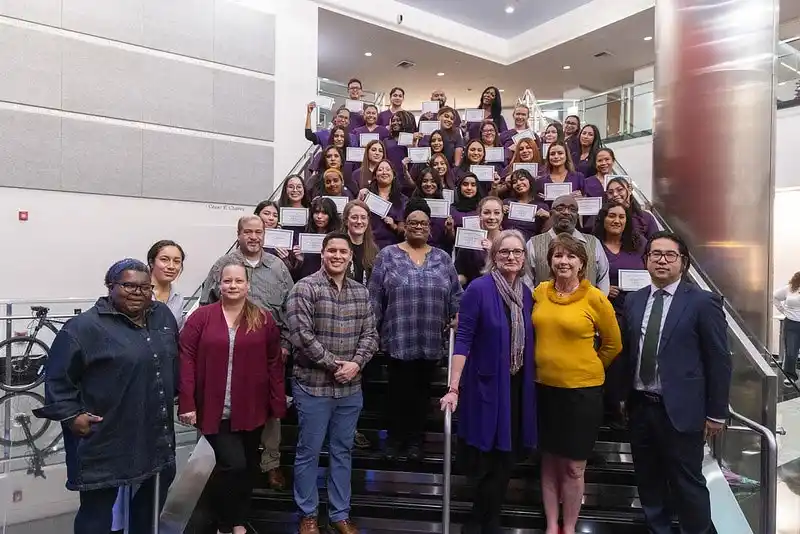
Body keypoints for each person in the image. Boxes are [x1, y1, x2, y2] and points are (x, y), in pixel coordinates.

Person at [34, 259, 178, 534]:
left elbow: (172, 359)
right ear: (110, 287)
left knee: (151, 499)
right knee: (97, 509)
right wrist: (73, 417)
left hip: (153, 431)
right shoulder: (83, 328)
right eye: (128, 285)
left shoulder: (162, 316)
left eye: (144, 287)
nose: (137, 292)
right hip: (104, 436)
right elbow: (57, 379)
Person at [621, 231, 730, 534]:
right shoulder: (634, 301)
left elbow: (719, 360)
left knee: (687, 484)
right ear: (646, 260)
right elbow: (629, 352)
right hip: (641, 408)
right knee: (648, 480)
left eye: (670, 255)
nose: (662, 260)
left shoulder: (703, 302)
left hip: (683, 412)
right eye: (655, 254)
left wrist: (716, 412)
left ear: (683, 262)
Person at [440, 230, 537, 534]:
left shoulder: (528, 294)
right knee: (485, 458)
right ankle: (477, 520)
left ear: (524, 258)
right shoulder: (479, 289)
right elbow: (463, 339)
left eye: (517, 252)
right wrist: (454, 386)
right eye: (504, 251)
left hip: (518, 387)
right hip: (485, 387)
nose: (511, 257)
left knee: (506, 458)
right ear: (493, 256)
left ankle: (489, 518)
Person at [178, 259, 285, 534]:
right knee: (233, 465)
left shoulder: (262, 318)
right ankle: (224, 523)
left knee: (248, 466)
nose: (233, 285)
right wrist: (187, 402)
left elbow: (274, 361)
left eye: (238, 281)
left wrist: (277, 401)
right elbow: (186, 358)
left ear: (247, 285)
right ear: (219, 285)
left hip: (252, 408)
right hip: (213, 409)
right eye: (228, 281)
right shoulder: (201, 318)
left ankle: (239, 521)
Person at [287, 232, 379, 534]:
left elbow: (371, 335)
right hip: (313, 386)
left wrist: (355, 364)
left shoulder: (360, 292)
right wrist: (334, 364)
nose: (337, 256)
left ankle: (340, 514)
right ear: (322, 254)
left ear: (350, 256)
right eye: (332, 251)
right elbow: (301, 337)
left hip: (350, 388)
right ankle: (308, 514)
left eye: (343, 251)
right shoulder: (304, 288)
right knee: (308, 452)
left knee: (343, 451)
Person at [532, 234, 621, 534]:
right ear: (550, 262)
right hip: (543, 389)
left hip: (582, 394)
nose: (563, 261)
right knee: (549, 462)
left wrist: (589, 367)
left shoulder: (595, 297)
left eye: (570, 257)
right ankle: (550, 525)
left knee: (573, 467)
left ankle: (568, 527)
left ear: (582, 263)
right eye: (558, 256)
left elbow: (613, 344)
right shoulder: (540, 292)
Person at [200, 215, 293, 491]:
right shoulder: (222, 266)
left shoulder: (278, 266)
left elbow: (290, 308)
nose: (254, 237)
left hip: (269, 353)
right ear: (238, 234)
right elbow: (207, 304)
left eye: (258, 232)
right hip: (228, 356)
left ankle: (271, 463)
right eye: (248, 232)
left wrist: (286, 343)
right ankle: (231, 461)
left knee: (271, 409)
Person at [368, 199, 462, 461]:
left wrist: (457, 316)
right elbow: (374, 297)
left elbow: (456, 295)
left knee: (421, 395)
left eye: (423, 223)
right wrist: (372, 333)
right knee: (397, 393)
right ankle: (394, 440)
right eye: (412, 222)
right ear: (404, 226)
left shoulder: (442, 258)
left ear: (430, 227)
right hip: (398, 338)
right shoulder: (387, 256)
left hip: (431, 339)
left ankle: (415, 443)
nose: (418, 226)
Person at [592, 201, 646, 428]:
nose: (616, 220)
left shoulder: (638, 244)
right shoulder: (594, 245)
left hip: (633, 310)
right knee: (610, 357)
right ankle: (607, 408)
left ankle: (624, 405)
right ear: (603, 219)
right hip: (605, 310)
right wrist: (604, 289)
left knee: (629, 358)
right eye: (611, 216)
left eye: (621, 217)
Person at [524, 195, 610, 295]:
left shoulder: (594, 243)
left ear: (577, 216)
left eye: (572, 209)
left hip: (587, 309)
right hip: (546, 308)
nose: (566, 212)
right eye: (560, 208)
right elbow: (526, 281)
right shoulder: (533, 244)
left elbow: (603, 279)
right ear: (551, 214)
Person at [455, 196, 503, 288]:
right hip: (476, 292)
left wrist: (492, 251)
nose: (492, 217)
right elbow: (462, 274)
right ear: (480, 215)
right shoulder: (470, 242)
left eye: (496, 213)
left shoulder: (509, 240)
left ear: (502, 216)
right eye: (486, 213)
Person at [605, 175, 659, 240]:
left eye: (620, 190)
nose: (615, 194)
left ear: (630, 190)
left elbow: (656, 242)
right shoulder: (604, 217)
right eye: (610, 192)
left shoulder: (646, 217)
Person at [147, 240, 186, 324]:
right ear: (151, 262)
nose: (171, 266)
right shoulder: (138, 293)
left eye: (176, 261)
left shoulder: (178, 298)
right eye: (164, 260)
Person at [775, 271, 800, 386]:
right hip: (791, 323)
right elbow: (775, 297)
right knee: (791, 351)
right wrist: (782, 310)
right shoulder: (789, 289)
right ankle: (790, 375)